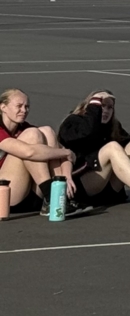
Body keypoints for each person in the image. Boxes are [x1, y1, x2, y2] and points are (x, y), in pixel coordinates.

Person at [0, 89, 76, 219]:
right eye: (19, 106)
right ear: (3, 107)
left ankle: (60, 195)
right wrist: (66, 152)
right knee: (32, 136)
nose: (24, 110)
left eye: (27, 106)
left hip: (30, 193)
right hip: (6, 196)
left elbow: (67, 156)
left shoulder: (24, 128)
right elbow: (29, 152)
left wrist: (67, 176)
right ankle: (51, 197)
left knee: (47, 131)